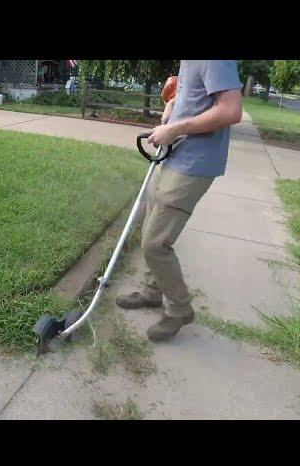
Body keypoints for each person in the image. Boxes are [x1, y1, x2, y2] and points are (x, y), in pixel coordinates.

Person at [115, 60, 243, 341]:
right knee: (148, 224)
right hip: (174, 155)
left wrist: (174, 130)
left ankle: (179, 309)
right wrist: (173, 102)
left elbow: (231, 109)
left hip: (193, 164)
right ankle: (152, 290)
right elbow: (196, 92)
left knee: (155, 243)